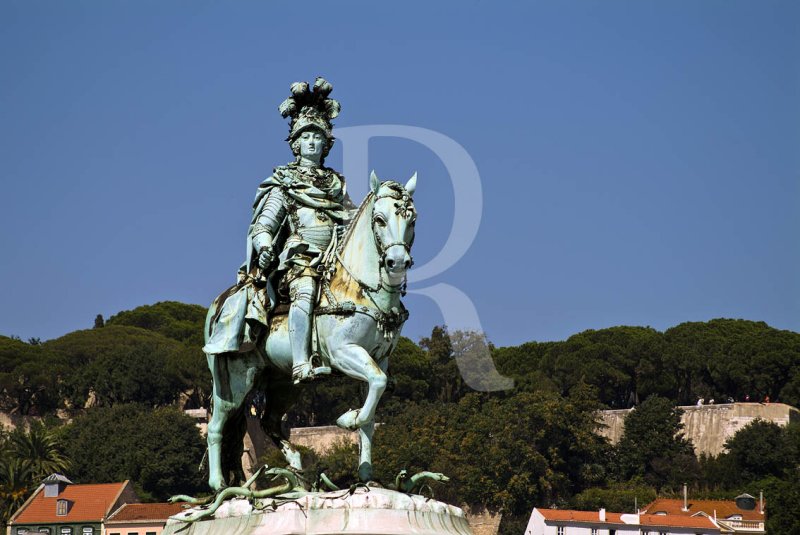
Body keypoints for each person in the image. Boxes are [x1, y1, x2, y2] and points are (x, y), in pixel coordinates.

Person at [204, 77, 353, 384]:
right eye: (306, 136)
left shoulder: (337, 184)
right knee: (306, 289)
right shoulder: (284, 182)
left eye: (317, 136)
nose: (312, 141)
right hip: (299, 260)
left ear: (326, 144)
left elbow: (350, 220)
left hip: (335, 260)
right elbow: (264, 224)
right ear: (296, 144)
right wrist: (264, 243)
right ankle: (300, 362)